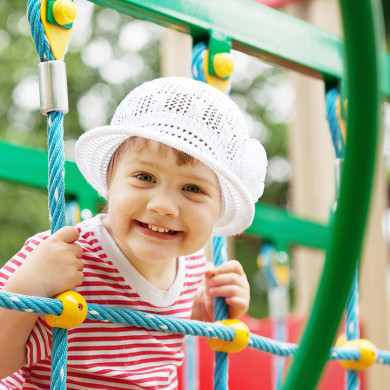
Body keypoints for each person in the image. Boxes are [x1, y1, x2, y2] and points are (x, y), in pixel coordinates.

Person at [0, 77, 267, 389]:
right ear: (109, 183)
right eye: (144, 176)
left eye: (192, 188)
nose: (164, 205)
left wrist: (205, 313)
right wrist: (30, 286)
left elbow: (154, 346)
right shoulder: (61, 257)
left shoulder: (195, 269)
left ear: (219, 208)